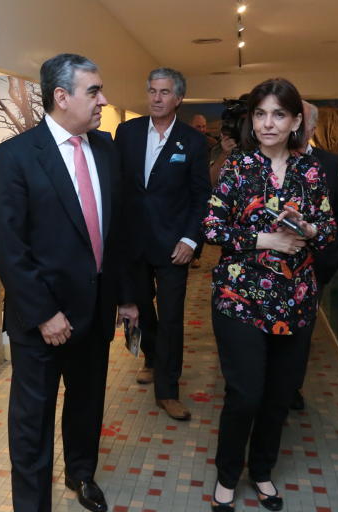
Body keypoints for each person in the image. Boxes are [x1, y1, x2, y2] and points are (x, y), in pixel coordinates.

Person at [0, 53, 138, 512]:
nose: (103, 101)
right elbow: (9, 245)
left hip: (96, 312)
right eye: (94, 91)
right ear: (61, 96)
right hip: (42, 322)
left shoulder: (107, 150)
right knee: (32, 421)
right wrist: (44, 313)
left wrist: (128, 299)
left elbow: (119, 232)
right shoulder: (16, 156)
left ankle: (82, 474)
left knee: (87, 404)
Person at [202, 78, 337, 511]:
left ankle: (261, 471)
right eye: (260, 114)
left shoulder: (311, 171)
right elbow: (212, 228)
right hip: (239, 299)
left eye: (278, 114)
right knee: (246, 393)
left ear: (296, 120)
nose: (268, 123)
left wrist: (309, 229)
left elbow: (331, 227)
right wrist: (267, 240)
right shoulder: (238, 167)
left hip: (296, 300)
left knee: (279, 396)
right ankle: (227, 474)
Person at [115, 68, 211, 421]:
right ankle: (152, 359)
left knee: (171, 317)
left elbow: (202, 197)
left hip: (174, 246)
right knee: (142, 310)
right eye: (152, 91)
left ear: (178, 98)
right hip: (133, 244)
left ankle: (168, 390)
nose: (156, 98)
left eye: (164, 92)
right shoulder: (126, 132)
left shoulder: (194, 141)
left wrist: (190, 239)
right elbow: (118, 187)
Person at [290, 102, 338, 410]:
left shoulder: (329, 163)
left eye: (299, 122)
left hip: (314, 265)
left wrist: (326, 257)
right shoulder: (268, 161)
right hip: (272, 267)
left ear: (311, 128)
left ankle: (291, 388)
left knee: (302, 333)